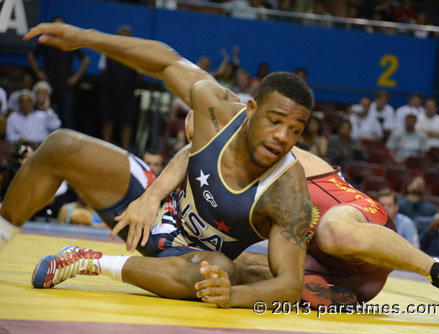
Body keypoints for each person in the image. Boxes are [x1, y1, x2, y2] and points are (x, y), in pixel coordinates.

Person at [34, 108, 439, 310]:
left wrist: (152, 195)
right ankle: (92, 262)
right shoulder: (205, 166)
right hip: (332, 275)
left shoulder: (249, 140)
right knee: (224, 274)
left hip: (347, 227)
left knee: (335, 233)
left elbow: (193, 153)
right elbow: (190, 158)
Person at [3, 22, 313, 309]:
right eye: (274, 122)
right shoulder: (217, 110)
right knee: (61, 145)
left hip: (194, 258)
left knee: (216, 273)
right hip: (154, 210)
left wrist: (235, 296)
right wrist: (85, 38)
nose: (282, 137)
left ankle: (89, 262)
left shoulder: (288, 190)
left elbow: (289, 284)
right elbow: (166, 62)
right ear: (251, 109)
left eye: (295, 130)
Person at [27, 17, 89, 129]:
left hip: (65, 84)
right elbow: (31, 56)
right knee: (45, 114)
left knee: (66, 117)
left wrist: (76, 77)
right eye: (56, 27)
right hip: (49, 83)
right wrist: (38, 72)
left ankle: (67, 145)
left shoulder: (69, 42)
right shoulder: (46, 41)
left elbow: (85, 59)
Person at [98, 25, 141, 150]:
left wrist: (129, 82)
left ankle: (125, 149)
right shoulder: (108, 50)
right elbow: (102, 68)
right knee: (107, 120)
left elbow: (141, 73)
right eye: (121, 36)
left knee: (126, 122)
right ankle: (105, 147)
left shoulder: (135, 54)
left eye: (126, 37)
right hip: (110, 92)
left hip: (127, 94)